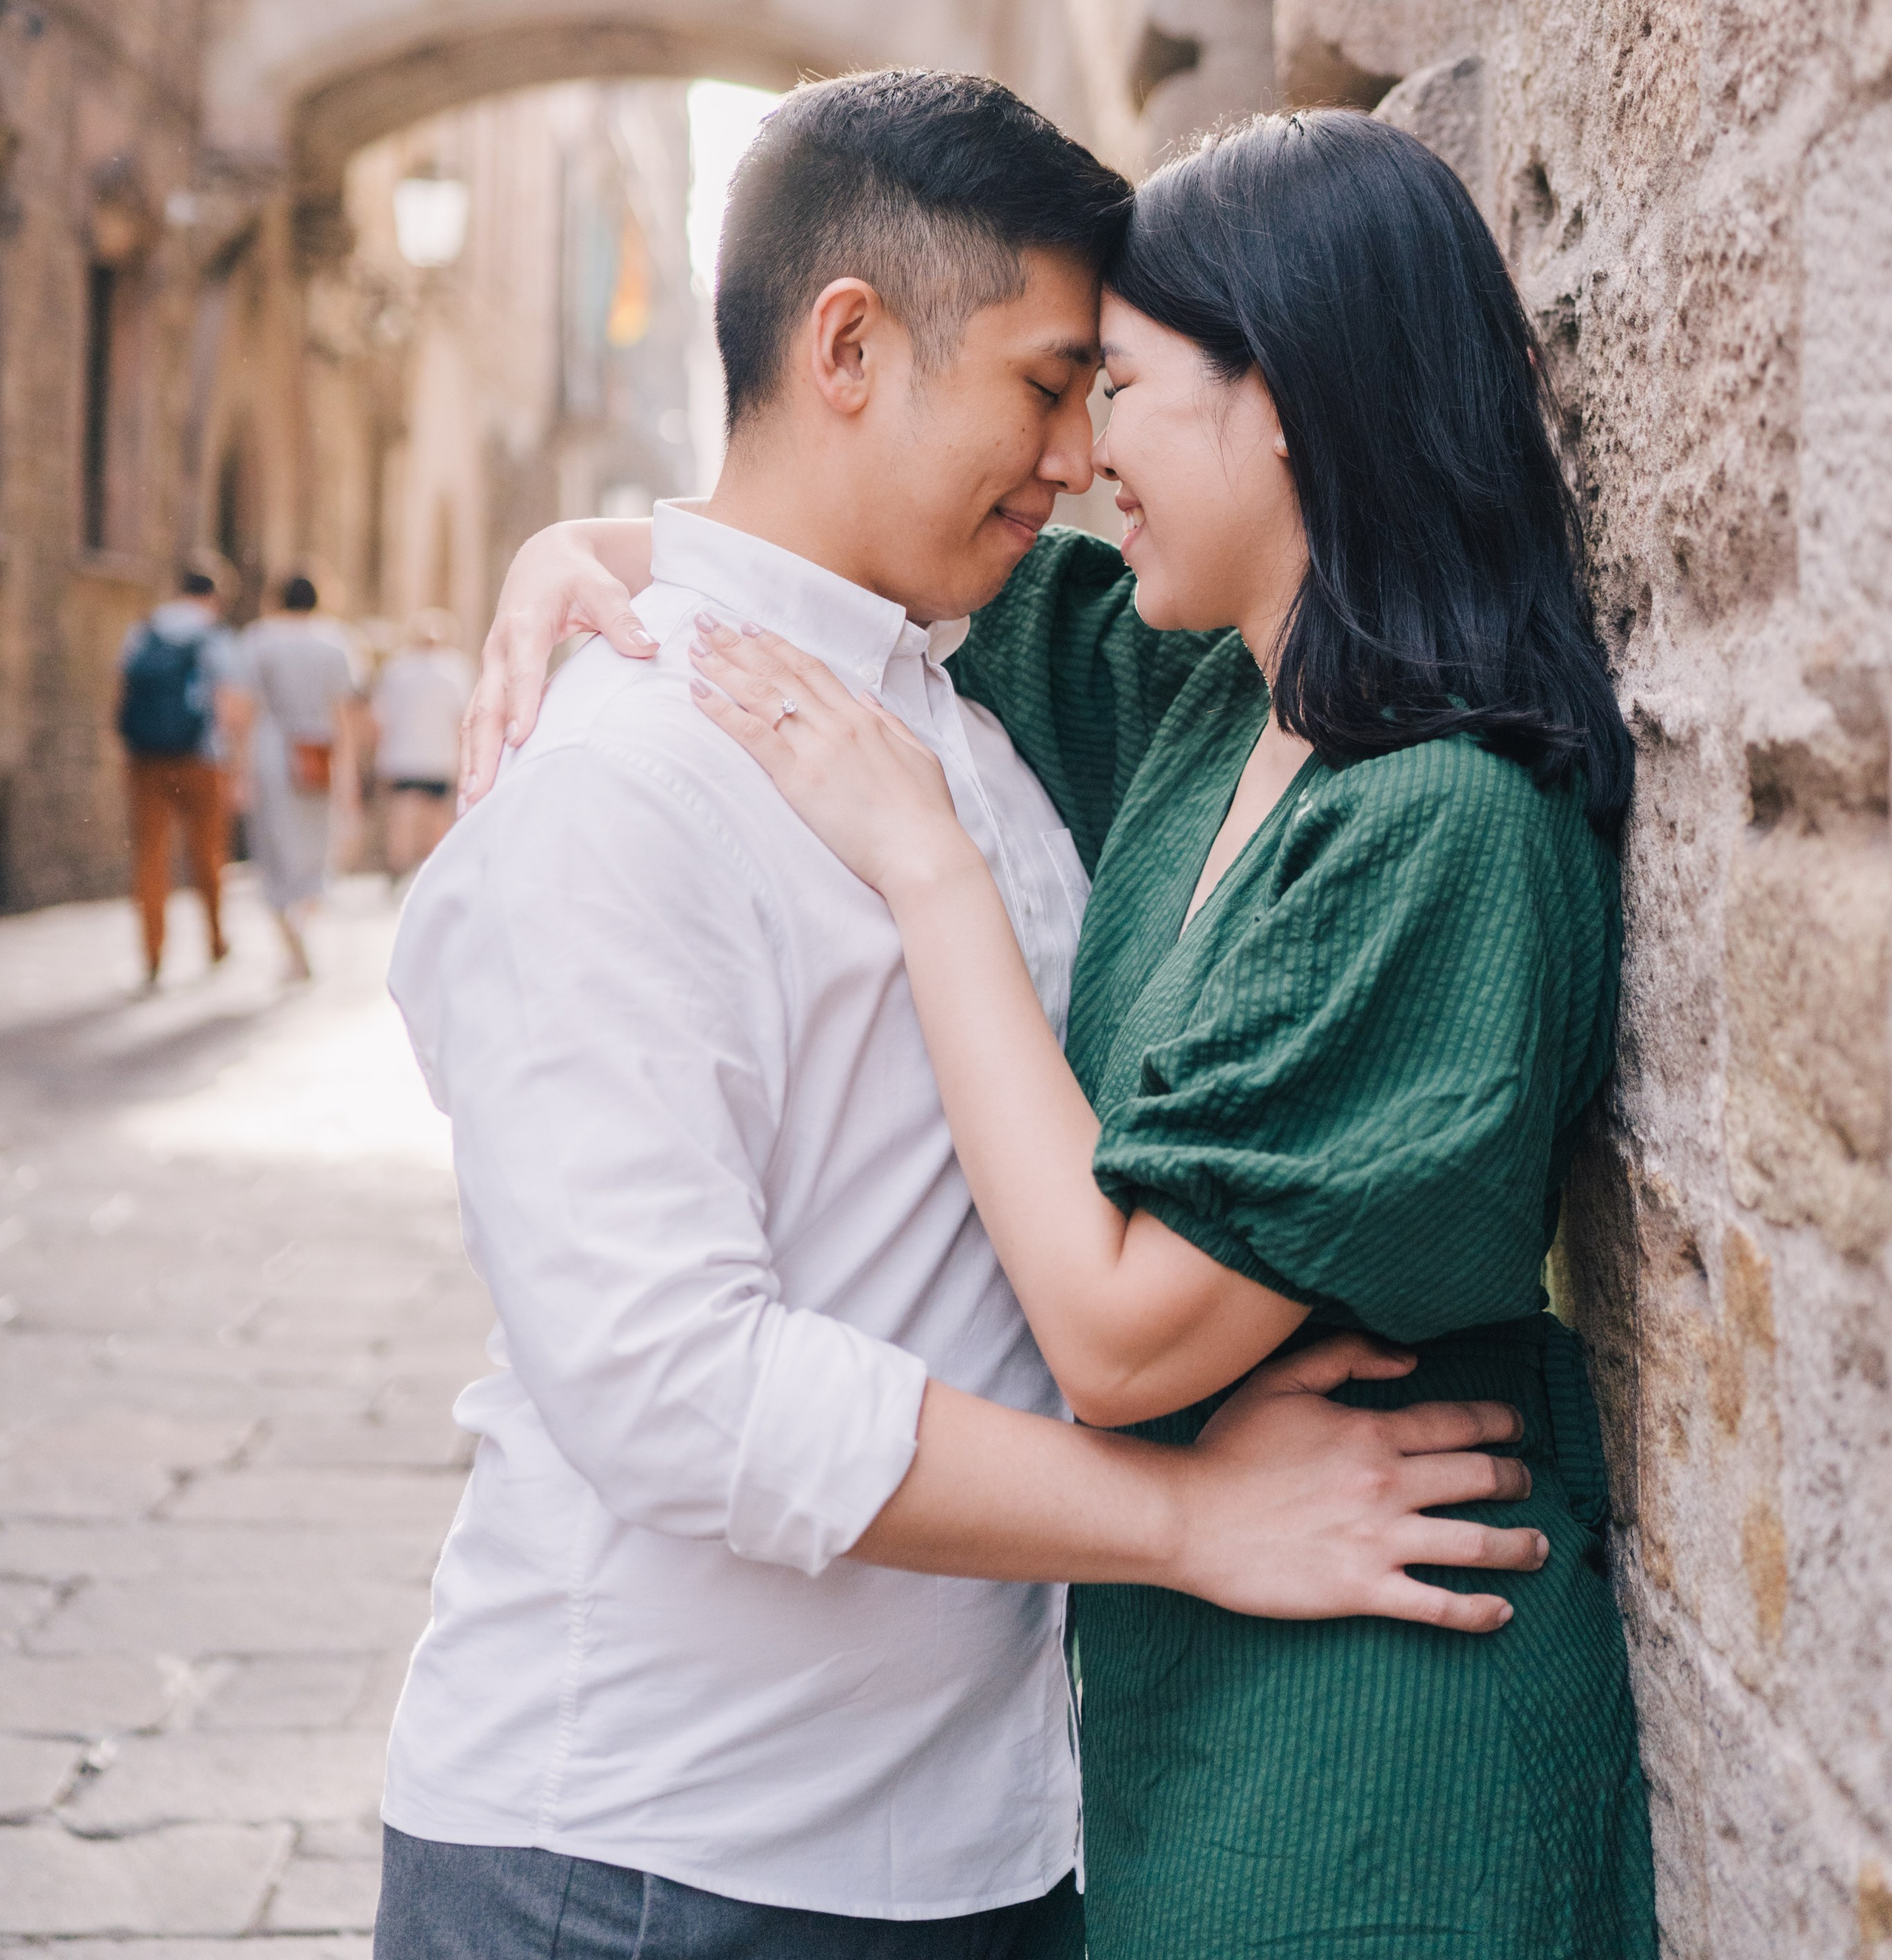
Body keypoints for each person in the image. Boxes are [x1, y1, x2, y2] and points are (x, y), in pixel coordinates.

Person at [471, 106, 1658, 1960]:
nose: (1081, 454)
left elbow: (1112, 1332)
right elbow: (844, 527)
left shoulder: (1436, 824)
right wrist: (592, 543)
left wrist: (929, 868)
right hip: (1135, 1738)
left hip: (1378, 1702)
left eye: (1111, 384)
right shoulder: (1195, 709)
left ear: (1282, 399)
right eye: (1062, 385)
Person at [116, 556, 243, 984]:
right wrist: (234, 761)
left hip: (147, 759)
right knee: (207, 853)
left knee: (151, 856)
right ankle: (215, 938)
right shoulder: (214, 636)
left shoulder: (145, 629)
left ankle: (152, 954)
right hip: (201, 759)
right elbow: (226, 704)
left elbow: (122, 692)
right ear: (214, 596)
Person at [230, 572, 361, 983]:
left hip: (270, 751)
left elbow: (243, 710)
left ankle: (288, 935)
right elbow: (344, 713)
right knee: (313, 844)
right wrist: (350, 774)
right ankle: (303, 919)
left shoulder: (257, 638)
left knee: (272, 847)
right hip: (317, 753)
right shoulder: (336, 641)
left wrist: (239, 771)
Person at [371, 610, 474, 881]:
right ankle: (432, 875)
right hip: (440, 759)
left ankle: (398, 872)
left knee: (402, 819)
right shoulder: (455, 669)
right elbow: (461, 720)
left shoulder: (396, 669)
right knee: (437, 820)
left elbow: (381, 718)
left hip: (402, 757)